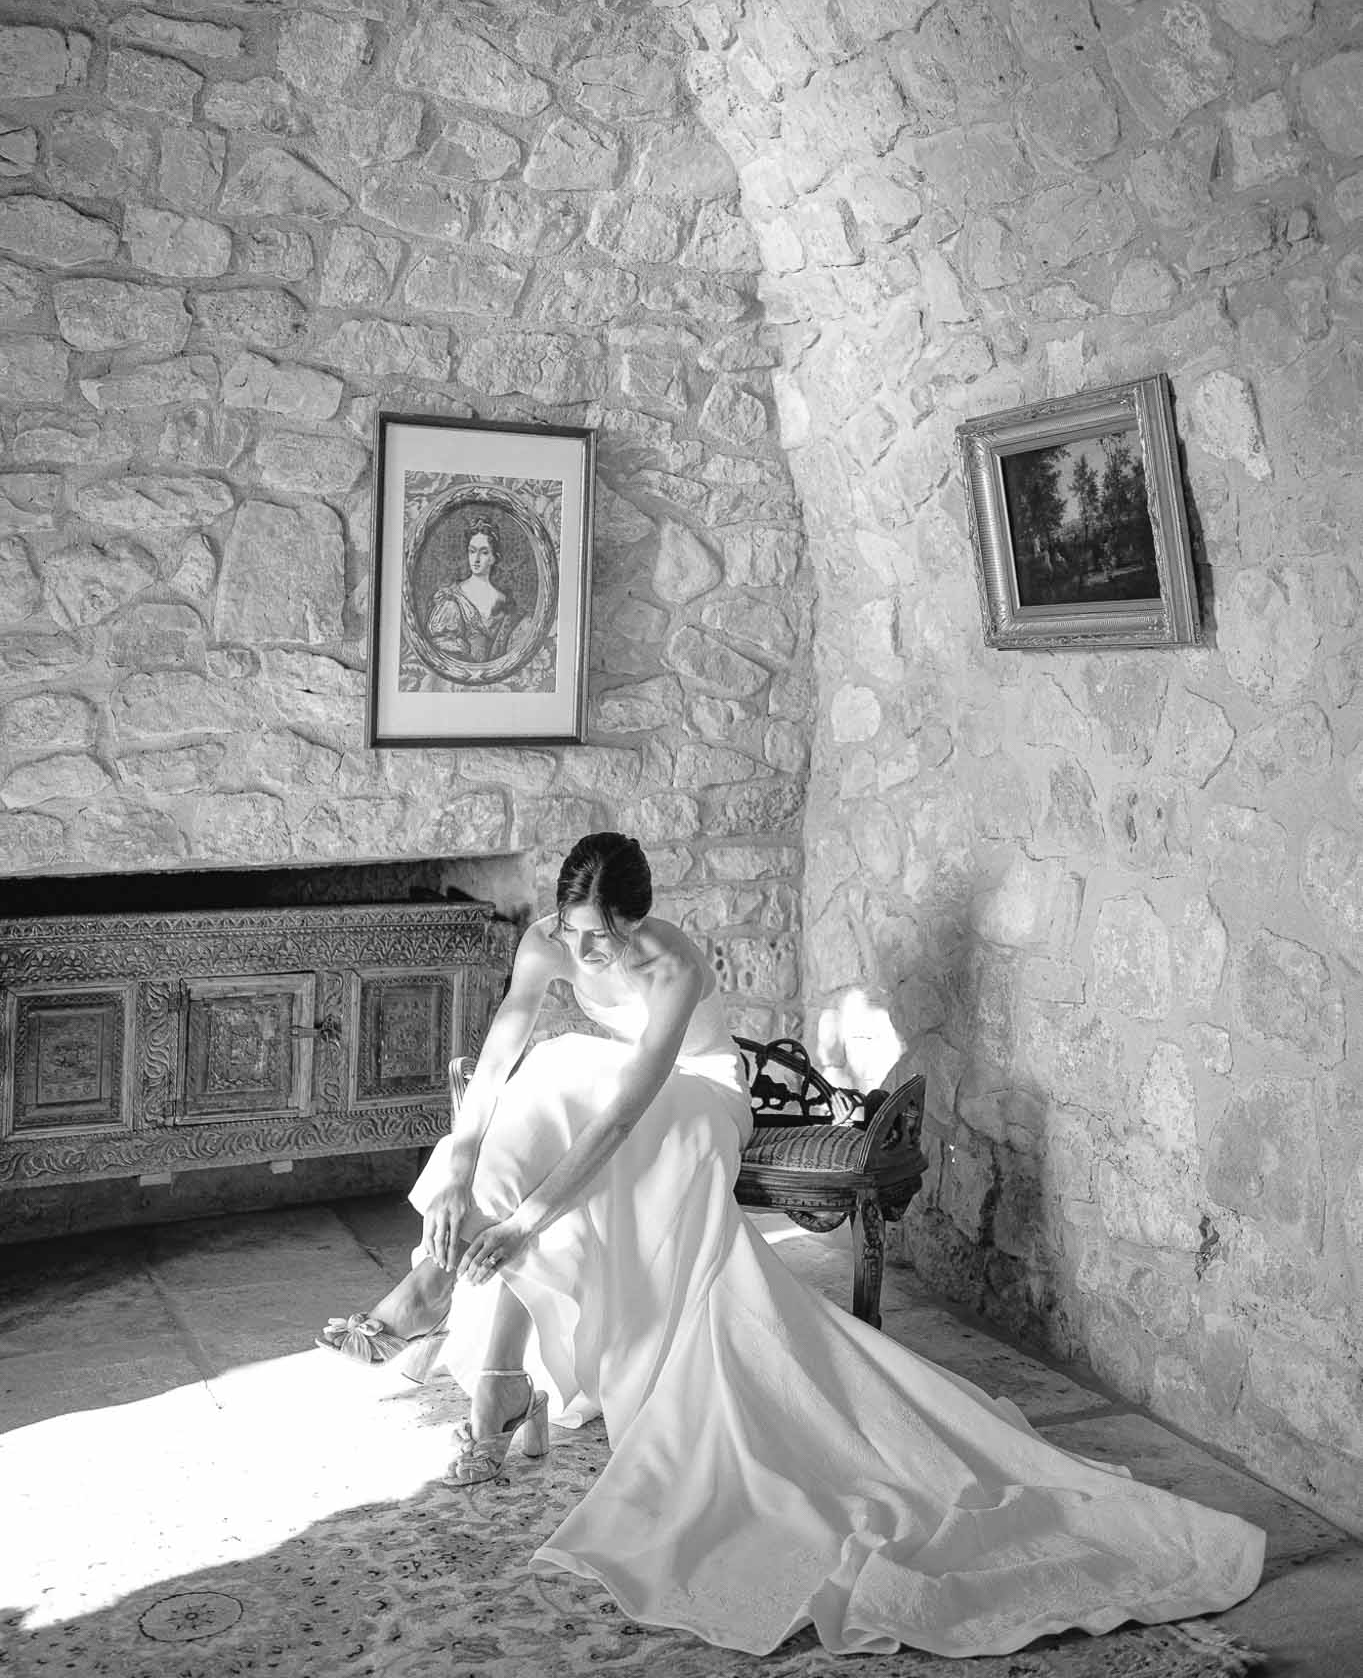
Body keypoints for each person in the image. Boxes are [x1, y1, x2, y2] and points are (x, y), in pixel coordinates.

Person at [318, 833, 1265, 1659]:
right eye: (571, 931)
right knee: (536, 1086)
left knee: (574, 1111)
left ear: (639, 924)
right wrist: (456, 1153)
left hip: (692, 1097)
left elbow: (623, 1121)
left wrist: (526, 1223)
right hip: (603, 1087)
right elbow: (494, 1056)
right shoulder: (548, 942)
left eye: (599, 936)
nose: (582, 950)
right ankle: (463, 1323)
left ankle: (460, 1339)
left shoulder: (673, 967)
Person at [425, 521, 523, 666]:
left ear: (493, 558)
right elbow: (443, 655)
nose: (476, 559)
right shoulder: (451, 599)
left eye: (483, 552)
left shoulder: (505, 600)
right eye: (472, 551)